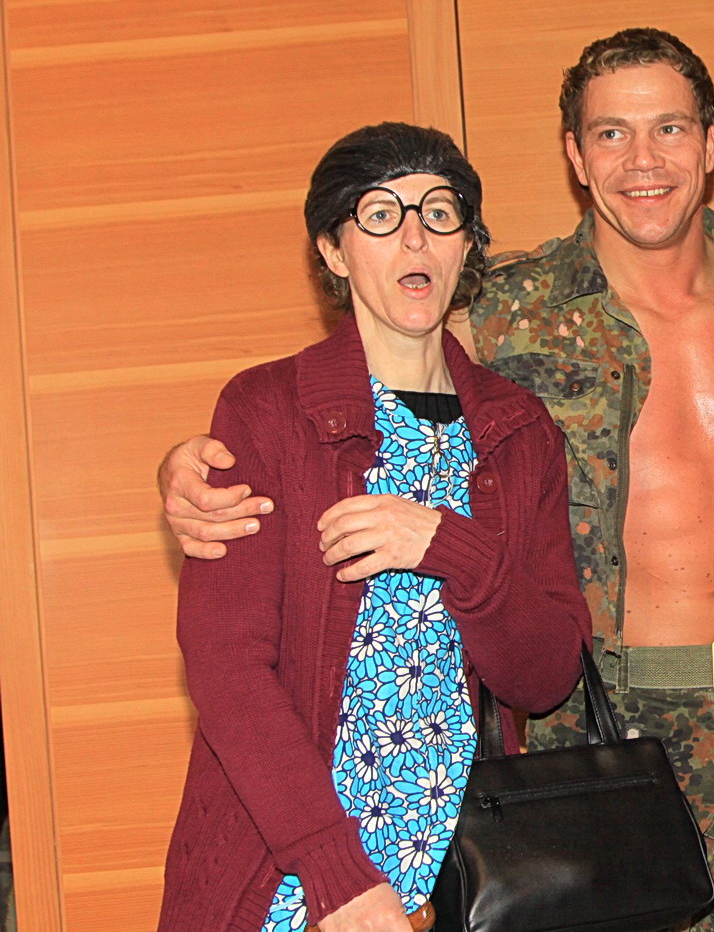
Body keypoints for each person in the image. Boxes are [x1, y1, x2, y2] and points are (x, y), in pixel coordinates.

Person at [159, 30, 714, 930]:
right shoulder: (506, 310)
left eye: (671, 127)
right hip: (602, 738)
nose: (643, 159)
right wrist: (191, 463)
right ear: (575, 154)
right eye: (611, 133)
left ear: (711, 142)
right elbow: (363, 373)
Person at [157, 123, 588, 932]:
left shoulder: (520, 430)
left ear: (467, 244)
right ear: (333, 249)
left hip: (464, 882)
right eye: (381, 215)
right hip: (293, 879)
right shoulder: (266, 410)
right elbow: (225, 666)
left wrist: (448, 545)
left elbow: (545, 675)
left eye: (439, 213)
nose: (415, 237)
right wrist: (336, 873)